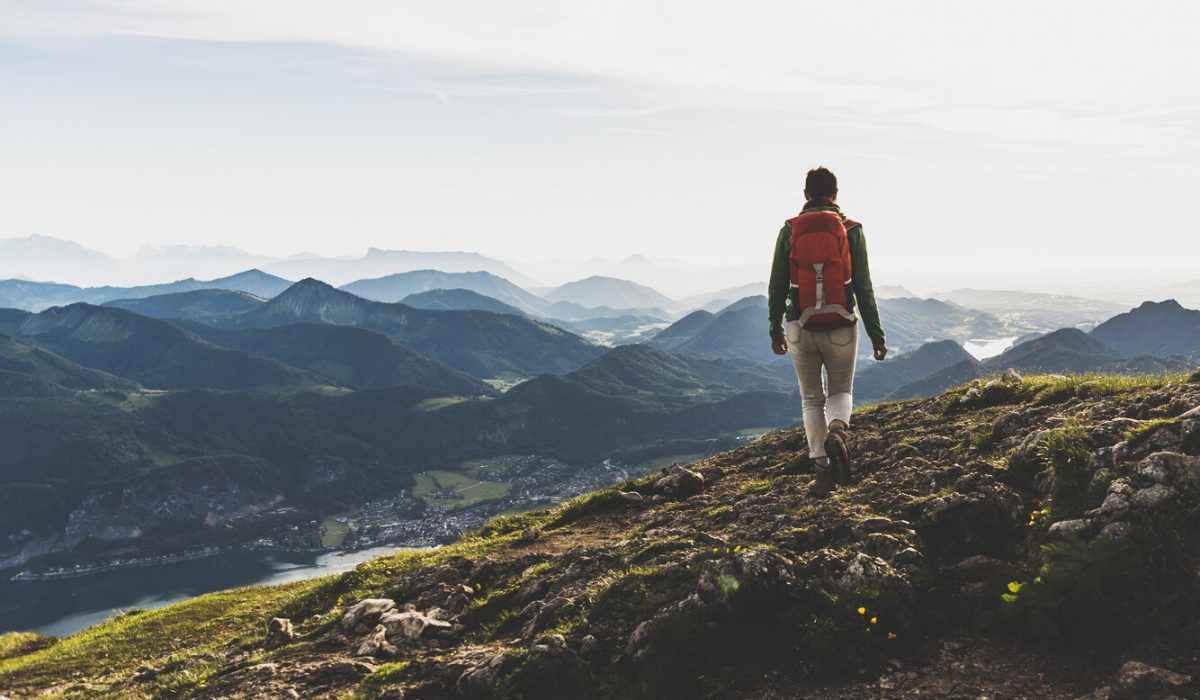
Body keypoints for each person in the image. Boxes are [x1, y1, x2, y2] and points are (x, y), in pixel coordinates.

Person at [768, 166, 887, 497]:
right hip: (842, 326)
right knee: (840, 392)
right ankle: (838, 429)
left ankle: (822, 474)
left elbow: (776, 284)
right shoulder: (851, 230)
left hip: (799, 325)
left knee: (811, 399)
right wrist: (877, 335)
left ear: (805, 194)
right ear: (836, 194)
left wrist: (774, 327)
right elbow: (863, 287)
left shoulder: (789, 230)